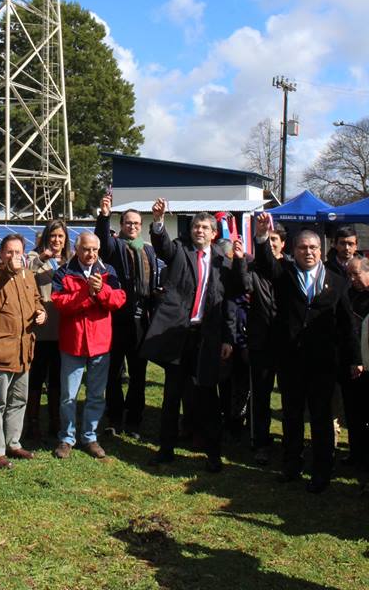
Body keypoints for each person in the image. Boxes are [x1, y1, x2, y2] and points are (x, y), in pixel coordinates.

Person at [254, 212, 362, 493]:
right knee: (291, 416)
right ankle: (291, 465)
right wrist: (262, 236)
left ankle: (321, 471)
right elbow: (265, 264)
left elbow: (347, 324)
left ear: (321, 250)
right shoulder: (284, 275)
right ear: (294, 250)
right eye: (302, 248)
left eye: (313, 247)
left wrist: (355, 359)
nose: (308, 252)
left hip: (323, 363)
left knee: (321, 418)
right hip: (290, 361)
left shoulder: (337, 282)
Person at [142, 201, 239, 472]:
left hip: (207, 338)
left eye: (205, 227)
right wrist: (158, 221)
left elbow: (229, 302)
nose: (199, 230)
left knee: (208, 397)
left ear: (214, 233)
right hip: (179, 335)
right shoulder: (180, 250)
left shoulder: (223, 261)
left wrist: (228, 338)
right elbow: (162, 246)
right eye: (196, 226)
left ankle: (213, 453)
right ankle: (166, 450)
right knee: (172, 395)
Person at [52, 232, 126, 459]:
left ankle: (90, 436)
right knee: (68, 395)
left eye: (94, 249)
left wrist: (101, 290)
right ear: (77, 249)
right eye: (86, 249)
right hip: (73, 342)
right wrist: (86, 293)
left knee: (96, 394)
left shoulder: (108, 271)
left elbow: (118, 300)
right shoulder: (63, 272)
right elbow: (59, 303)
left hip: (100, 343)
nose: (90, 253)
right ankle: (67, 437)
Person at [95, 195, 162, 438]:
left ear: (141, 226)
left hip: (141, 320)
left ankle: (134, 418)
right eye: (128, 223)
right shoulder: (115, 246)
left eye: (136, 223)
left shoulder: (147, 249)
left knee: (138, 372)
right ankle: (114, 417)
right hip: (117, 318)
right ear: (121, 224)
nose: (132, 226)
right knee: (114, 372)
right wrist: (104, 216)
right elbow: (102, 243)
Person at [0, 233, 46, 469]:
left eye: (18, 252)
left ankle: (13, 443)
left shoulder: (27, 274)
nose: (14, 256)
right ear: (1, 252)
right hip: (0, 349)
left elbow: (36, 299)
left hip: (23, 349)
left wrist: (41, 312)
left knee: (19, 400)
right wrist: (8, 269)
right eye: (9, 252)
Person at [26, 219, 71, 441]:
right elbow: (25, 273)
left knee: (57, 377)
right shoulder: (34, 257)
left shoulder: (70, 260)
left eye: (60, 236)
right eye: (53, 235)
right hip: (40, 327)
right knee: (36, 377)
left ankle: (55, 420)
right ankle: (33, 422)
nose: (56, 240)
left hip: (63, 327)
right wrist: (43, 258)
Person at [246, 221, 283, 464]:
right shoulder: (253, 269)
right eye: (266, 241)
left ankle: (291, 444)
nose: (270, 245)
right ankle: (261, 442)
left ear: (283, 244)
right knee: (260, 396)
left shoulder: (291, 268)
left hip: (286, 344)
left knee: (290, 397)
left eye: (274, 241)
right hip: (260, 343)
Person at [338, 255, 369, 473]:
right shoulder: (348, 294)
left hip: (367, 363)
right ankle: (356, 452)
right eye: (349, 274)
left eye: (356, 274)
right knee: (353, 412)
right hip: (351, 363)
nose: (352, 279)